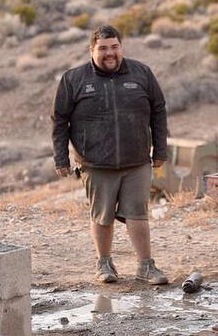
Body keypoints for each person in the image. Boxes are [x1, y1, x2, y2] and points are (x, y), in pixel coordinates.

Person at [51, 25, 169, 285]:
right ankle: (104, 263)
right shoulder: (74, 79)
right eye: (103, 48)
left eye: (114, 47)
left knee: (138, 214)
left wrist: (160, 150)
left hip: (136, 160)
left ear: (121, 47)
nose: (110, 53)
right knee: (102, 216)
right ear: (91, 49)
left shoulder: (142, 73)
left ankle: (146, 267)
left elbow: (158, 111)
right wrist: (61, 159)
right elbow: (60, 121)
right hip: (95, 163)